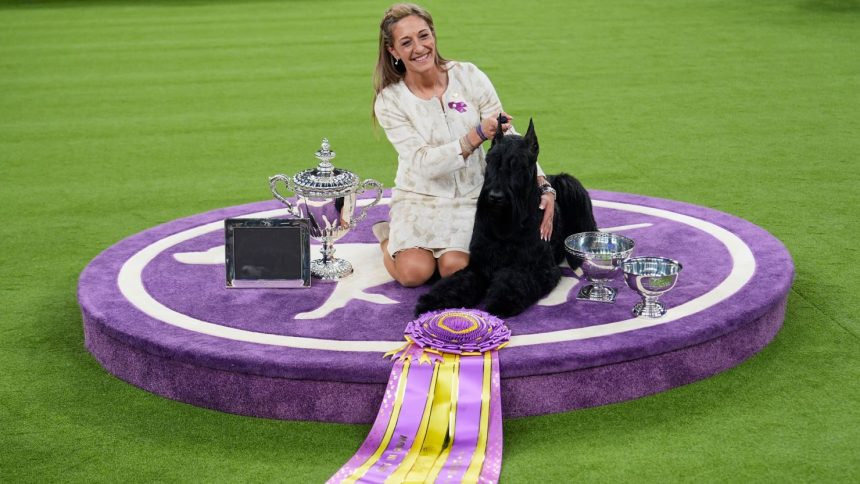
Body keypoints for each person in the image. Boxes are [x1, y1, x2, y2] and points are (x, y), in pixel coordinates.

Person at [372, 3, 557, 287]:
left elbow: (509, 136)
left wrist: (543, 184)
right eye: (406, 42)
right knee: (413, 275)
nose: (419, 48)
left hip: (472, 196)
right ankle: (388, 239)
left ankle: (426, 250)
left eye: (424, 36)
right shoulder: (390, 101)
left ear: (433, 35)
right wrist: (476, 136)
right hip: (418, 197)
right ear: (393, 50)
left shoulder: (469, 75)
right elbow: (423, 162)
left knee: (455, 270)